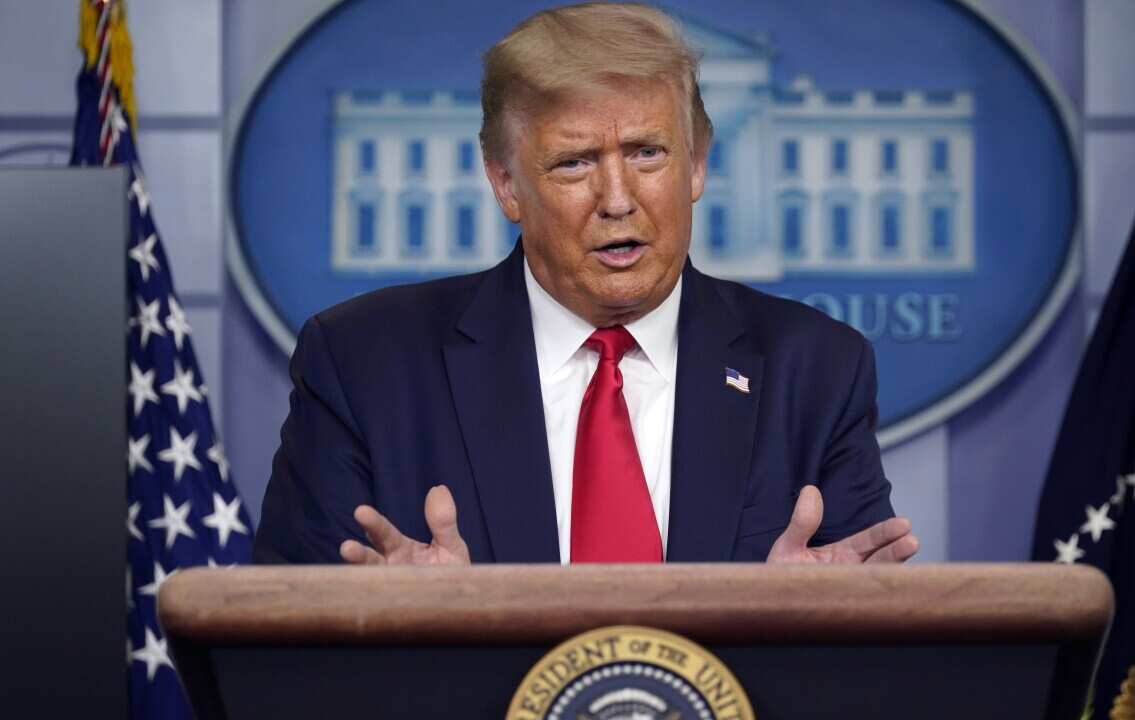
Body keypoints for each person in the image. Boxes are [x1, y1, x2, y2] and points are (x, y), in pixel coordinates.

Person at [253, 2, 919, 566]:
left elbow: (870, 663)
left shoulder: (815, 369)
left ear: (696, 167)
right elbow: (276, 656)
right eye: (574, 163)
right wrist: (412, 632)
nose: (618, 199)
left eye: (646, 153)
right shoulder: (364, 364)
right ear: (506, 184)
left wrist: (800, 628)